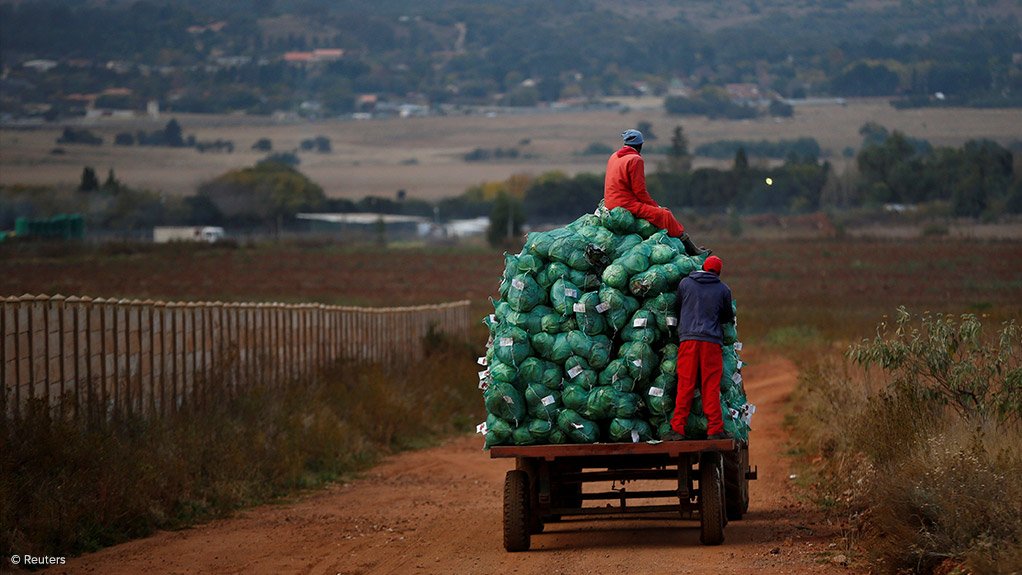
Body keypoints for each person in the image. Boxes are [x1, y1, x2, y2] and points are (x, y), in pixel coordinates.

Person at [662, 255, 735, 441]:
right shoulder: (723, 289)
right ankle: (715, 430)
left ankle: (678, 429)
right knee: (710, 386)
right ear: (718, 272)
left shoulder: (686, 283)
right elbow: (727, 316)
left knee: (685, 384)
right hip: (711, 342)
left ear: (702, 267)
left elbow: (678, 306)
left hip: (688, 341)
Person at [603, 129, 706, 256]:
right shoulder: (635, 160)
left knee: (662, 212)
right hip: (625, 203)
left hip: (610, 202)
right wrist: (654, 205)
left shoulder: (614, 156)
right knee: (665, 215)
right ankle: (691, 249)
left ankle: (689, 247)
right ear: (640, 145)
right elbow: (639, 191)